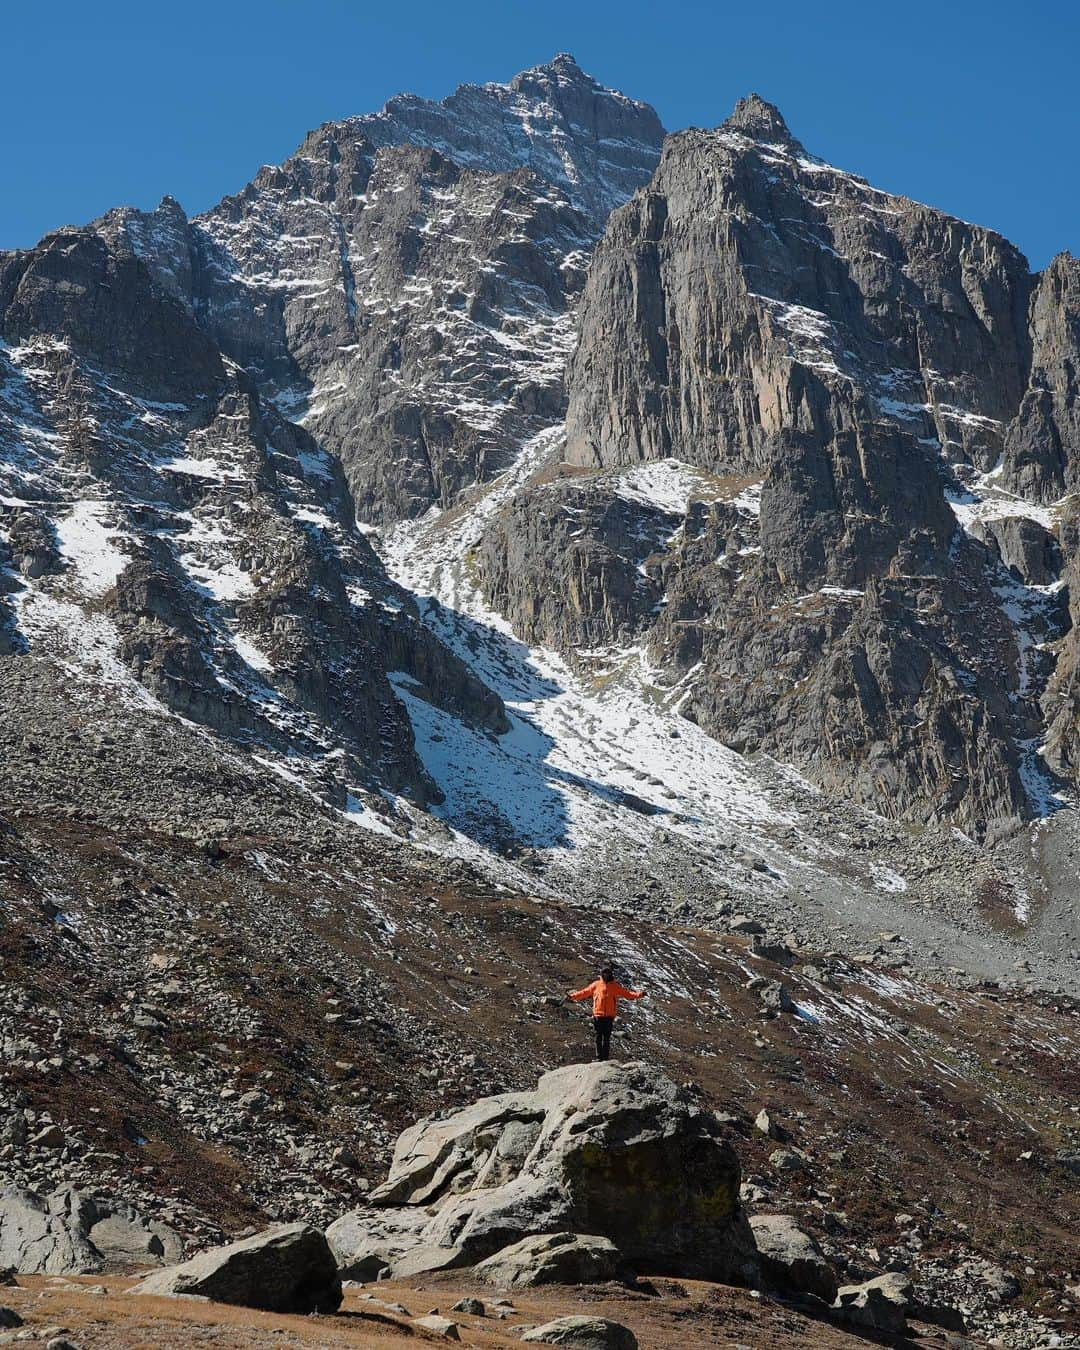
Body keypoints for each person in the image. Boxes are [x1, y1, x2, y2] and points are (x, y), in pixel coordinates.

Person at [567, 966, 646, 1062]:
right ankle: (599, 1057)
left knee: (607, 1038)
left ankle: (605, 1058)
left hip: (609, 1016)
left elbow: (627, 994)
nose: (606, 975)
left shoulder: (614, 986)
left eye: (608, 973)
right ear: (601, 974)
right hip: (598, 1015)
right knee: (598, 1037)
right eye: (604, 973)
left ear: (610, 974)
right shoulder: (596, 984)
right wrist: (572, 996)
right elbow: (585, 992)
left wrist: (639, 995)